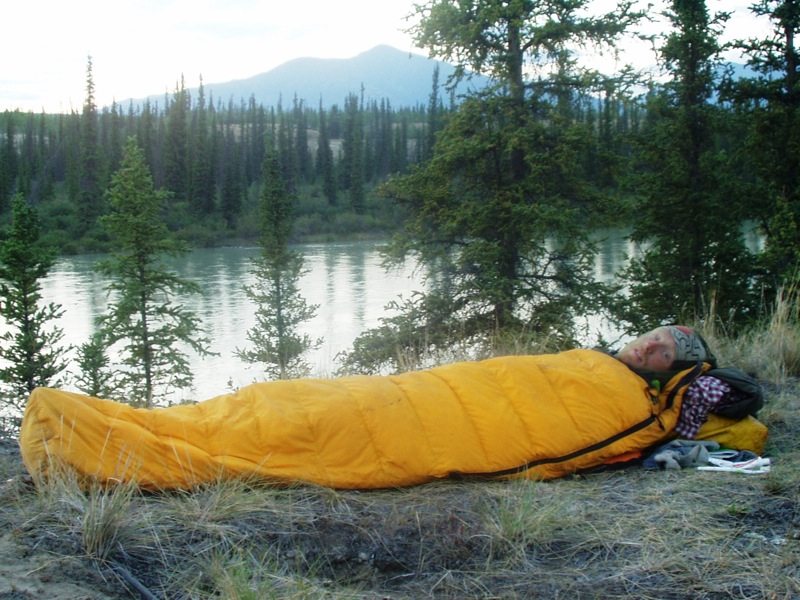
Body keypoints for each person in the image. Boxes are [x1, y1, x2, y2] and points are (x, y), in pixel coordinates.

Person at [612, 325, 749, 439]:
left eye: (665, 354)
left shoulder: (643, 404)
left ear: (669, 374)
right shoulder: (597, 357)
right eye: (655, 337)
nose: (649, 346)